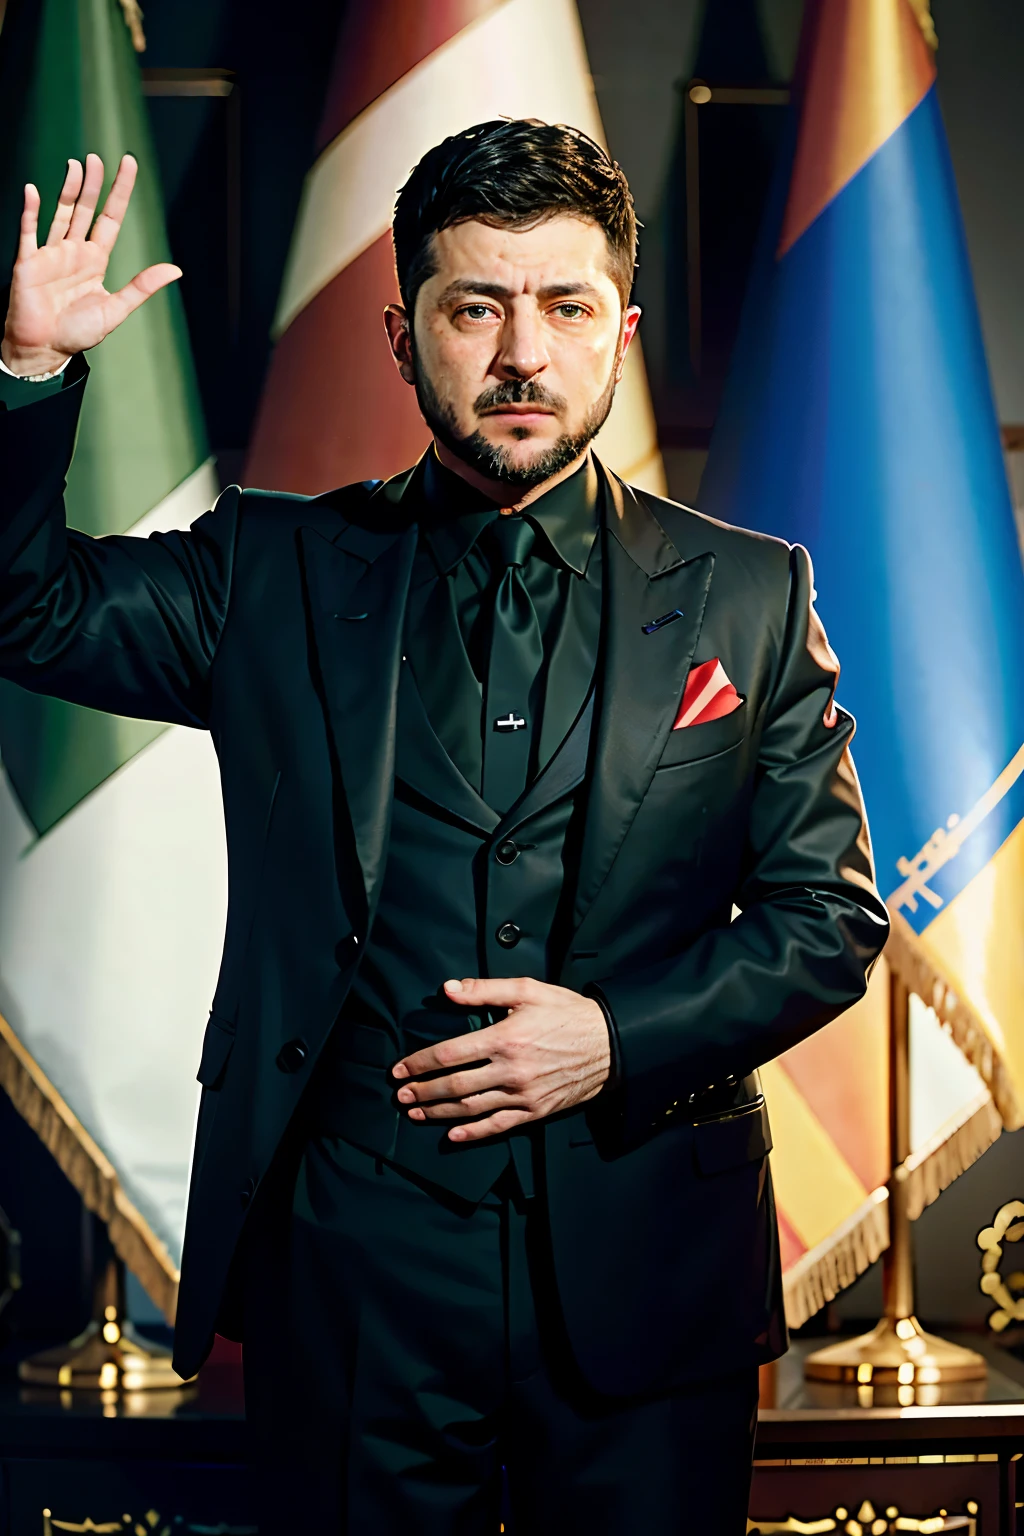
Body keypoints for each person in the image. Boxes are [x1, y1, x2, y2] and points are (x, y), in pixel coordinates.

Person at [0, 119, 888, 1533]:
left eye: (565, 307)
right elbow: (25, 606)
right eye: (477, 308)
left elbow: (829, 919)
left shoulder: (750, 595)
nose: (522, 353)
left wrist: (611, 1039)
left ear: (621, 332)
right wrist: (33, 373)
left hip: (651, 1283)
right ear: (404, 337)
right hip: (353, 1292)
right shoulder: (269, 571)